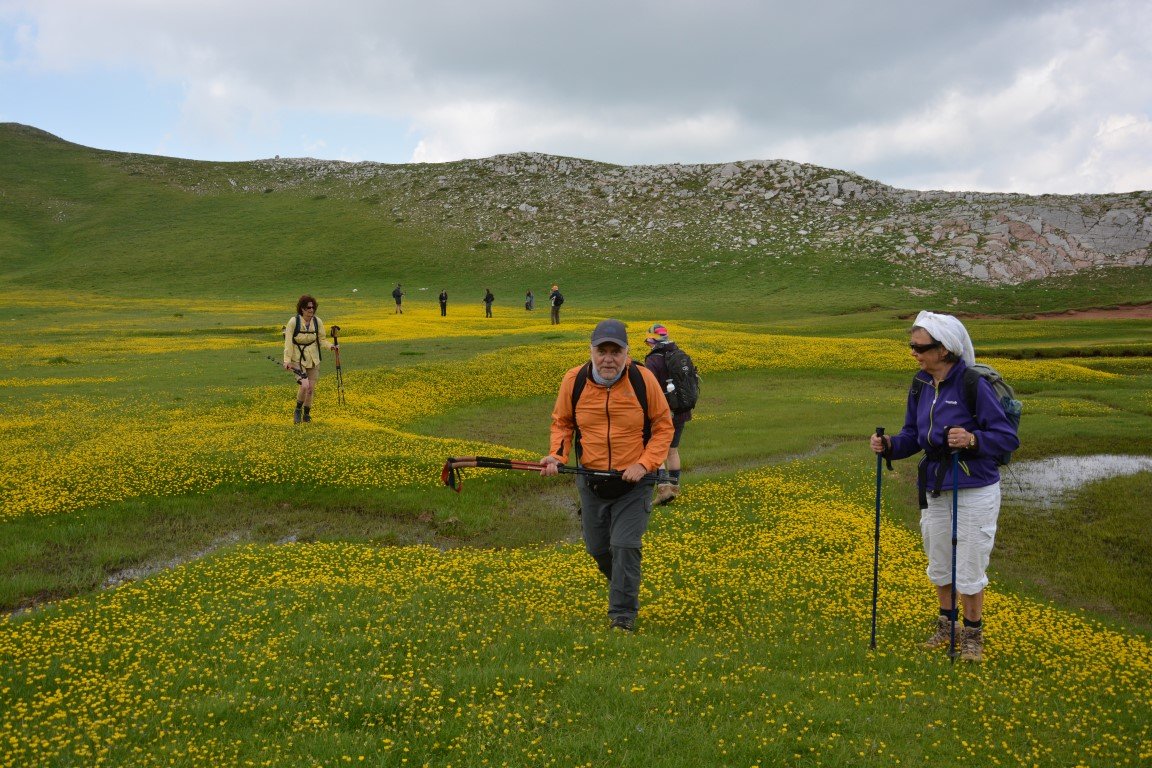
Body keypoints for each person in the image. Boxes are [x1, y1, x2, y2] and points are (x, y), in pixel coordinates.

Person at [869, 310, 1019, 662]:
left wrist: (971, 439)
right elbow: (913, 436)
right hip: (936, 488)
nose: (913, 353)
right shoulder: (920, 383)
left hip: (973, 487)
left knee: (968, 565)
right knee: (938, 560)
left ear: (945, 350)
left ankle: (972, 636)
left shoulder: (973, 384)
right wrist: (890, 445)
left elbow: (1006, 438)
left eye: (920, 347)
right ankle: (946, 626)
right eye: (912, 346)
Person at [540, 319, 674, 632]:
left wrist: (644, 463)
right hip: (591, 481)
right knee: (598, 549)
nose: (608, 358)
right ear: (592, 351)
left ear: (627, 353)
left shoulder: (643, 379)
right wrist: (557, 456)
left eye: (616, 351)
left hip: (634, 483)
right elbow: (562, 423)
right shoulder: (574, 380)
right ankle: (625, 585)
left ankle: (622, 616)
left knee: (625, 545)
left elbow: (663, 426)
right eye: (602, 350)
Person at [643, 323, 693, 505]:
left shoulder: (653, 360)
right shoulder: (680, 354)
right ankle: (675, 488)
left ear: (652, 340)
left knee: (655, 449)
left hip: (662, 412)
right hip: (681, 411)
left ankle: (663, 489)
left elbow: (649, 388)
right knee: (672, 451)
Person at [283, 294, 336, 424]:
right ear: (302, 309)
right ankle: (297, 410)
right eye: (308, 308)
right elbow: (288, 342)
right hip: (297, 359)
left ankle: (307, 414)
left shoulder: (317, 322)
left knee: (311, 388)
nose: (311, 310)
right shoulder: (293, 322)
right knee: (304, 385)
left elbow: (321, 340)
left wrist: (331, 346)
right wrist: (287, 360)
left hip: (313, 359)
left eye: (313, 308)